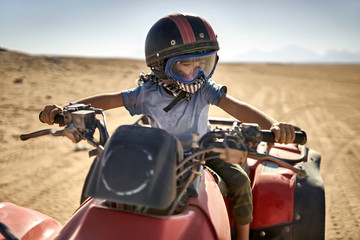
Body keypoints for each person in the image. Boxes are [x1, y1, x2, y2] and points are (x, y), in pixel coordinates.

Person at [40, 13, 295, 240]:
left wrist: (274, 126)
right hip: (159, 156)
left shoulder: (205, 89)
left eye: (203, 64)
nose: (197, 74)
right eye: (185, 65)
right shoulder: (147, 93)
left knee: (239, 179)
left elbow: (236, 107)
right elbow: (109, 99)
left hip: (203, 150)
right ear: (162, 65)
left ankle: (242, 236)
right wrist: (68, 110)